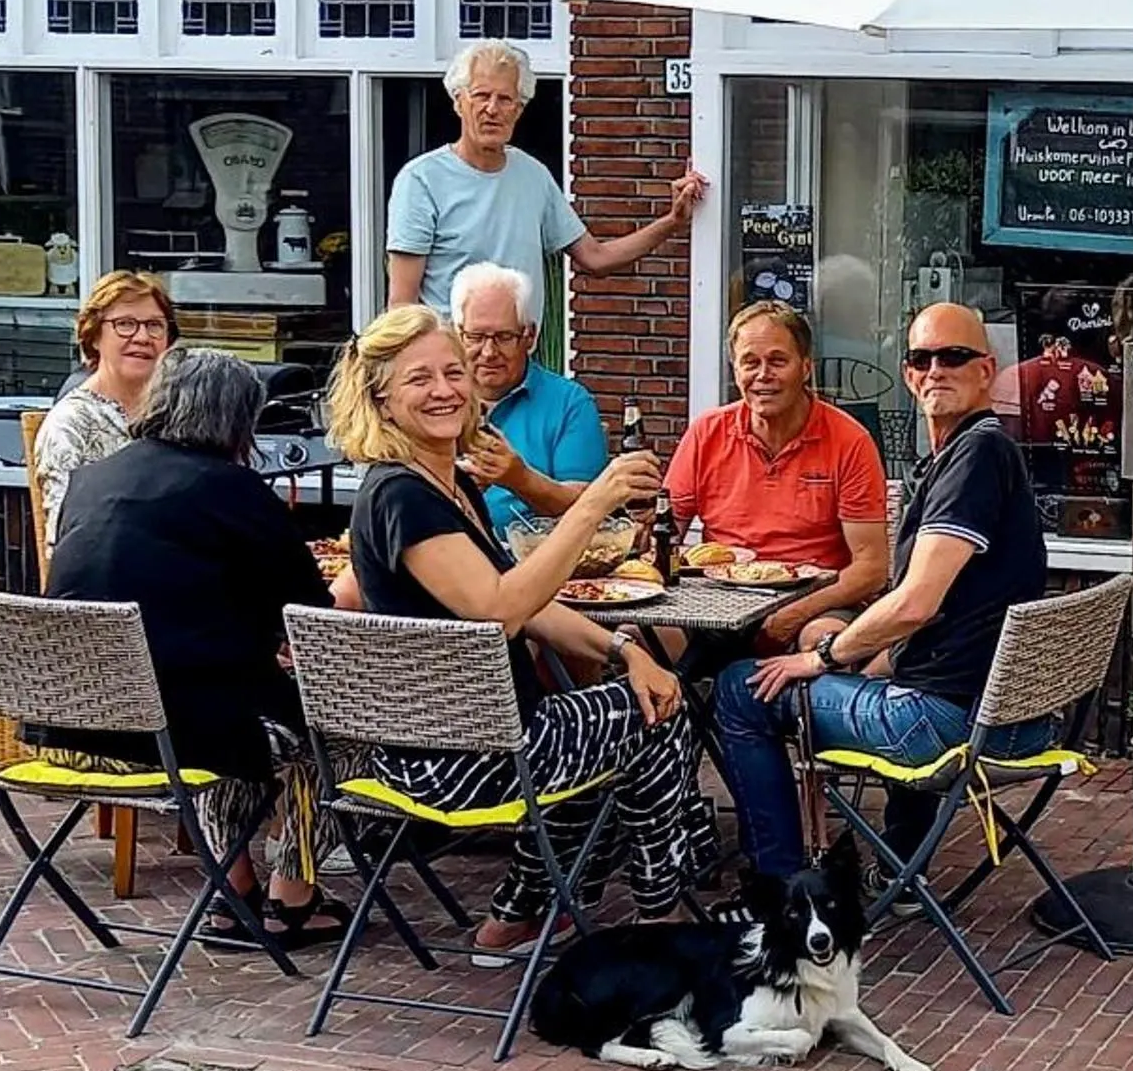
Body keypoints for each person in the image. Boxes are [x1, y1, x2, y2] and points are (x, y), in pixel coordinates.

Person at [333, 307, 713, 957]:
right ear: (382, 401)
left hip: (480, 737)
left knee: (629, 707)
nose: (446, 389)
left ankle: (521, 915)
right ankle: (657, 925)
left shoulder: (446, 481)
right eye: (419, 379)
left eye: (453, 372)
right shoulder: (399, 496)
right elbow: (500, 608)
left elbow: (527, 599)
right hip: (456, 758)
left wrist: (625, 651)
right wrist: (592, 502)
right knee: (657, 721)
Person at [715, 300, 1051, 877]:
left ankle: (783, 888)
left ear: (986, 370)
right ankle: (898, 867)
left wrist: (820, 658)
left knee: (741, 690)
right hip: (1012, 717)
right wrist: (859, 661)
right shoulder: (963, 454)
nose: (936, 369)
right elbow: (937, 619)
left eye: (954, 356)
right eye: (922, 358)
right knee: (871, 670)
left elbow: (915, 602)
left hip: (946, 725)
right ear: (908, 373)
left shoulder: (977, 455)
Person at [46, 346, 337, 936]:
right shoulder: (234, 490)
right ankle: (293, 892)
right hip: (175, 739)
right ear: (239, 421)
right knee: (329, 731)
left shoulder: (92, 481)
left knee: (219, 711)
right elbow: (312, 620)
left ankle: (230, 889)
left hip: (68, 731)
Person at [385, 41, 707, 317]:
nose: (492, 109)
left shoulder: (533, 176)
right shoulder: (421, 181)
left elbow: (596, 259)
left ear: (520, 109)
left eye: (505, 99)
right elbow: (402, 307)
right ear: (458, 102)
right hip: (453, 374)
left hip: (520, 368)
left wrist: (673, 222)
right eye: (481, 96)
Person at [665, 303, 890, 648]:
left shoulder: (850, 441)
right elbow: (664, 538)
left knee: (823, 640)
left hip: (817, 601)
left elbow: (872, 569)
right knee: (637, 639)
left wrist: (795, 613)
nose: (763, 374)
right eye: (750, 362)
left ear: (805, 368)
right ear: (735, 369)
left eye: (777, 361)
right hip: (717, 604)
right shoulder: (706, 433)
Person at [447, 261, 657, 541]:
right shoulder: (435, 399)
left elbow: (592, 511)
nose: (488, 352)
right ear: (456, 333)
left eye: (504, 337)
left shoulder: (569, 403)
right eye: (475, 336)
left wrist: (519, 479)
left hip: (537, 566)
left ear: (529, 336)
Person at [34, 273, 179, 547]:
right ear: (94, 335)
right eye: (125, 324)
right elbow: (62, 540)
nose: (142, 337)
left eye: (154, 325)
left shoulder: (177, 414)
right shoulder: (70, 425)